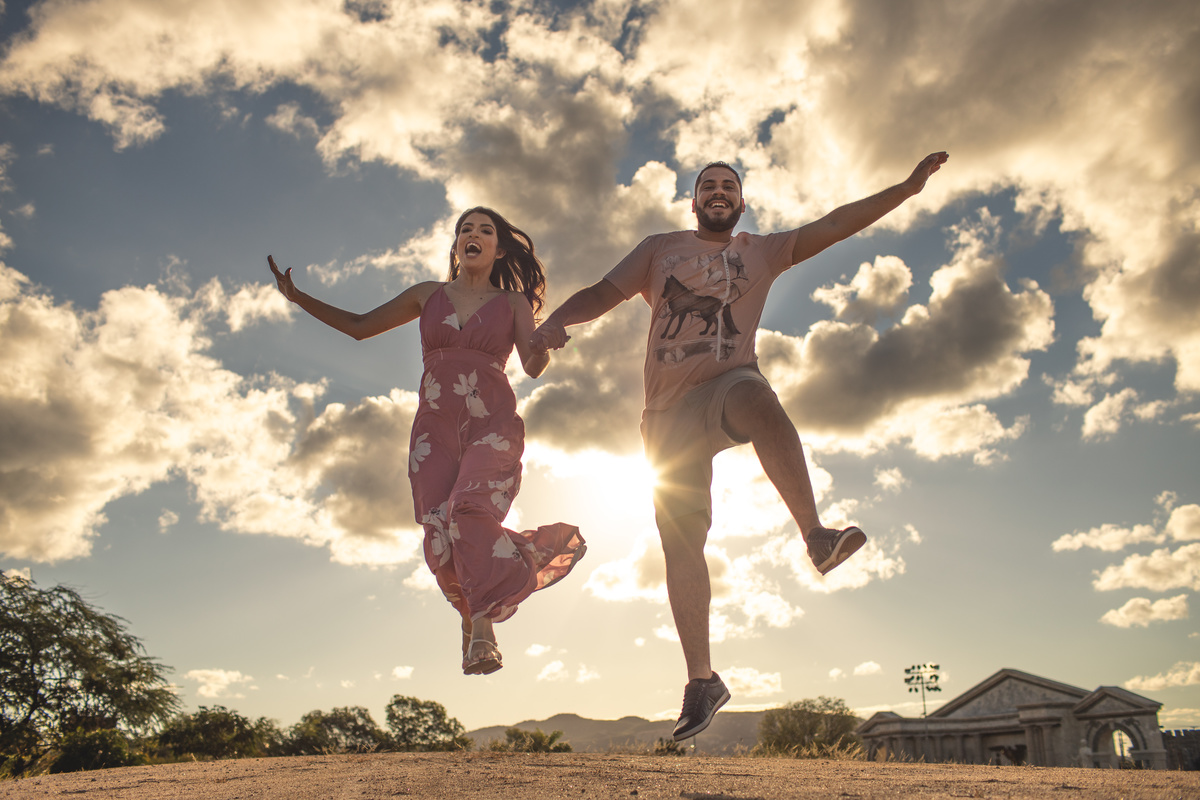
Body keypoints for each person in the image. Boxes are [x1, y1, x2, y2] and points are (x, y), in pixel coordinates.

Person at [530, 152, 948, 739]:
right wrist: (557, 323)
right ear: (694, 202)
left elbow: (834, 224)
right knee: (682, 545)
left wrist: (904, 190)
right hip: (666, 415)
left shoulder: (763, 251)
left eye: (729, 185)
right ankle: (702, 681)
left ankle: (816, 535)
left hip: (726, 384)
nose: (718, 191)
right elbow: (604, 291)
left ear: (742, 203)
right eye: (708, 185)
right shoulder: (660, 250)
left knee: (756, 396)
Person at [269, 207, 586, 676]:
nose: (473, 235)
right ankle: (475, 612)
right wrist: (299, 298)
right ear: (456, 245)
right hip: (434, 431)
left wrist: (545, 346)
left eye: (485, 230)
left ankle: (483, 627)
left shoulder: (513, 303)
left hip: (492, 424)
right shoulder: (427, 295)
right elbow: (359, 326)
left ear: (499, 250)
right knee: (440, 533)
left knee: (468, 510)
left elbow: (532, 366)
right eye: (465, 230)